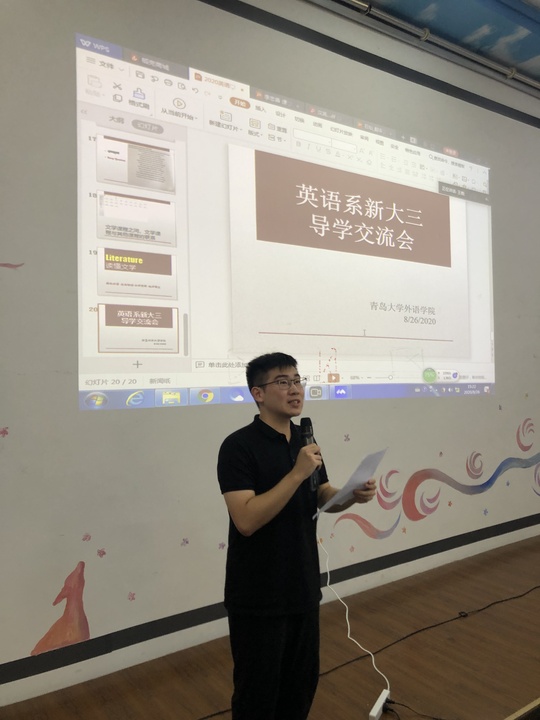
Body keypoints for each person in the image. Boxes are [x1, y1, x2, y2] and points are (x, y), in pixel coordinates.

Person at [217, 352, 377, 720]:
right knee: (258, 695)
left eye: (297, 381)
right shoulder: (238, 446)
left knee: (299, 688)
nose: (295, 390)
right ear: (258, 393)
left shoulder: (304, 441)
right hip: (258, 595)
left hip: (302, 586)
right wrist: (296, 473)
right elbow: (246, 519)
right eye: (282, 382)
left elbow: (320, 494)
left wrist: (351, 495)